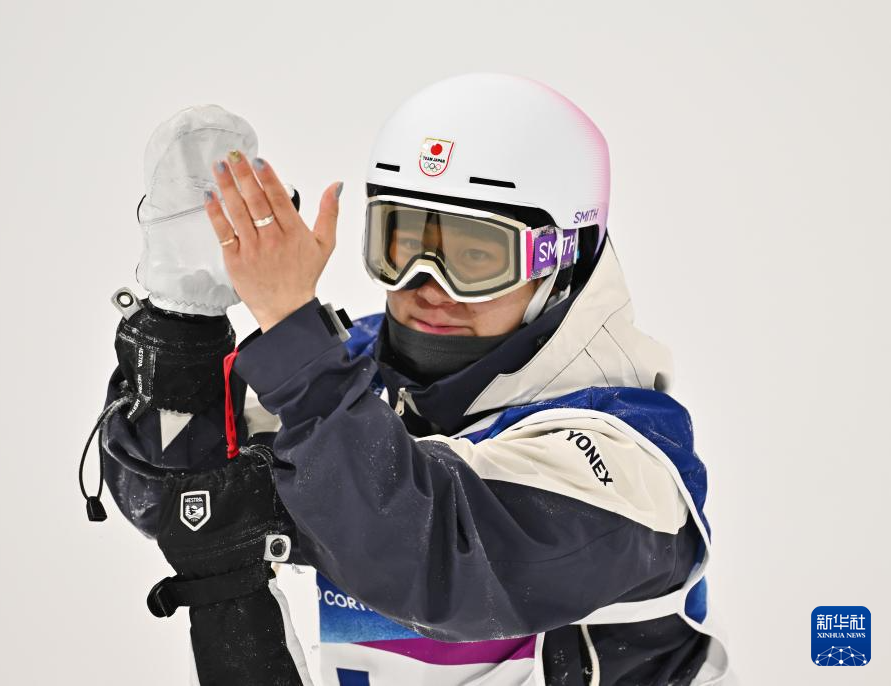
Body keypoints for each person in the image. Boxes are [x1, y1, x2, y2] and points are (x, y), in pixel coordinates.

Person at [97, 74, 730, 685]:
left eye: (475, 258)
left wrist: (296, 339)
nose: (429, 288)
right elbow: (173, 491)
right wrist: (184, 315)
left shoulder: (627, 461)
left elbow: (427, 556)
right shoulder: (338, 375)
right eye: (402, 246)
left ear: (561, 262)